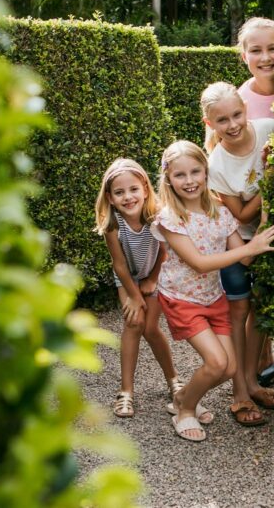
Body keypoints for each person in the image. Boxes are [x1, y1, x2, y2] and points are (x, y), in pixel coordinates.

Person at [153, 141, 274, 442]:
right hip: (182, 298)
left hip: (212, 297)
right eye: (180, 175)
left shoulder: (220, 213)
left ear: (205, 171)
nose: (189, 181)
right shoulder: (171, 218)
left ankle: (182, 396)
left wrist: (262, 224)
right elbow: (199, 263)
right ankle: (185, 410)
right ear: (168, 179)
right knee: (217, 363)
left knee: (229, 367)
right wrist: (249, 247)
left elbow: (245, 256)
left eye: (195, 171)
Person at [202, 82, 274, 426]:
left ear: (246, 110)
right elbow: (241, 215)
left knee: (261, 314)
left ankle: (253, 382)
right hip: (237, 244)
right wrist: (267, 178)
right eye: (222, 120)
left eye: (237, 114)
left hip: (270, 238)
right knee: (238, 315)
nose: (233, 124)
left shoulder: (268, 129)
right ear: (210, 124)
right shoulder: (217, 164)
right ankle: (239, 392)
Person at [94, 158, 182, 418]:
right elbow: (119, 266)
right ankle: (126, 392)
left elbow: (164, 252)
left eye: (133, 189)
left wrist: (152, 280)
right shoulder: (112, 225)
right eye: (119, 192)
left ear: (145, 188)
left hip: (153, 273)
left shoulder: (156, 216)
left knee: (151, 328)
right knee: (133, 323)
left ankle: (174, 380)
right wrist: (133, 295)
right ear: (109, 197)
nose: (128, 197)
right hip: (128, 278)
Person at [236, 16, 274, 385]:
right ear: (244, 56)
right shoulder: (241, 98)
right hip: (253, 202)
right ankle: (258, 362)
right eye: (256, 50)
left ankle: (265, 355)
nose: (265, 56)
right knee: (258, 287)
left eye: (272, 48)